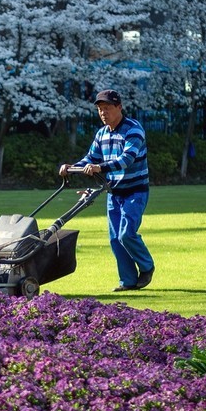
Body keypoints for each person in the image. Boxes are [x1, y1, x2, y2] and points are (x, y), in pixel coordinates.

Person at [60, 89, 155, 292]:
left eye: (107, 108)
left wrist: (99, 168)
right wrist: (71, 167)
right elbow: (90, 158)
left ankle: (147, 267)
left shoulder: (134, 130)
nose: (103, 113)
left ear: (119, 107)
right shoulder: (102, 134)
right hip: (113, 192)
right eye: (100, 109)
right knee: (115, 239)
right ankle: (128, 281)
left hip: (135, 191)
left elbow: (126, 160)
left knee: (126, 234)